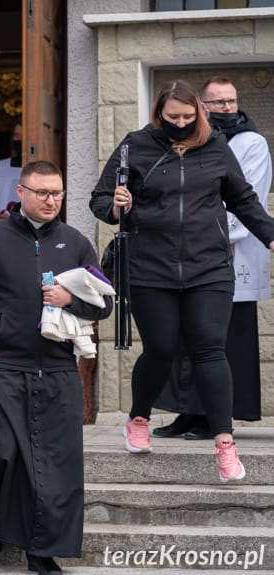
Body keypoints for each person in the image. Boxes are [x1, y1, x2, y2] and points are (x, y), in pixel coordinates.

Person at [90, 79, 274, 482]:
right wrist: (116, 205)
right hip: (150, 267)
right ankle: (138, 418)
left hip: (208, 267)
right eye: (172, 117)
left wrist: (271, 236)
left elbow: (243, 200)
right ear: (159, 113)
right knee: (161, 348)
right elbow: (99, 199)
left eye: (188, 117)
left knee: (210, 349)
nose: (180, 123)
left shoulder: (215, 147)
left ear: (199, 114)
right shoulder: (134, 145)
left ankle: (225, 443)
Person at [0, 161, 112, 575]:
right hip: (3, 367)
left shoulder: (75, 243)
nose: (50, 201)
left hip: (57, 370)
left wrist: (68, 301)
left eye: (56, 193)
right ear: (21, 193)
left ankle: (42, 552)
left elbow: (105, 303)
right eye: (41, 193)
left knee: (55, 468)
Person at [153, 77, 272, 440]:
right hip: (185, 256)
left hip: (227, 255)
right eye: (218, 102)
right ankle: (187, 414)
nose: (226, 107)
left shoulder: (250, 143)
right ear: (202, 106)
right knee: (184, 339)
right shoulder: (186, 141)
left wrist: (198, 231)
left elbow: (245, 199)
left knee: (221, 341)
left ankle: (215, 417)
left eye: (231, 101)